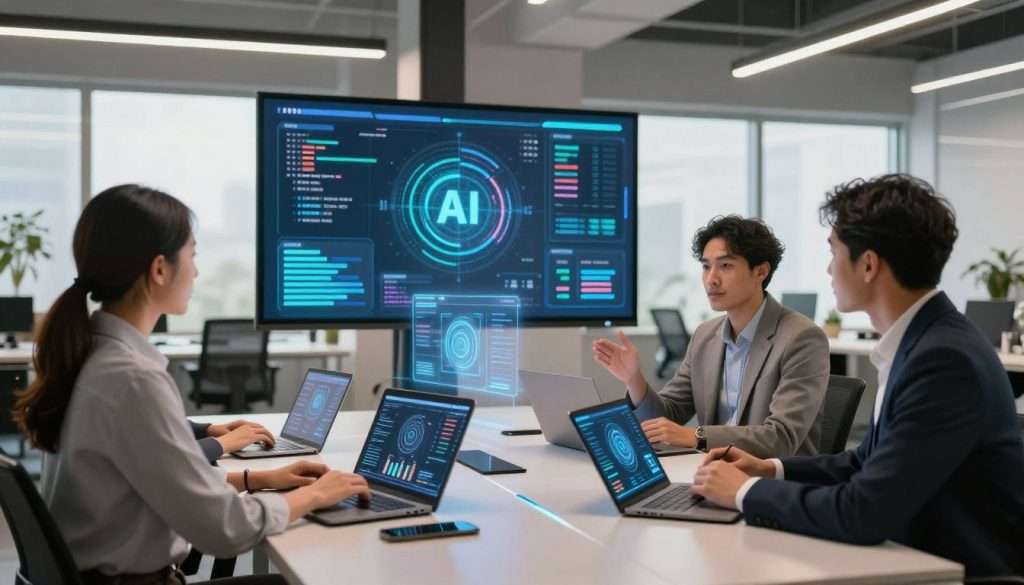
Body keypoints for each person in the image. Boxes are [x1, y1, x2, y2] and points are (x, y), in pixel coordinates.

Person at [14, 184, 370, 585]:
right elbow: (224, 530)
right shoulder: (132, 379)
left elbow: (157, 478)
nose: (197, 271)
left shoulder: (89, 356)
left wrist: (257, 479)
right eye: (193, 255)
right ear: (160, 269)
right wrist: (316, 495)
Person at [691, 175, 1024, 578]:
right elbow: (864, 461)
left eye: (833, 252)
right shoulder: (924, 341)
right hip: (912, 556)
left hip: (953, 572)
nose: (829, 268)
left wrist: (744, 492)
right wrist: (770, 469)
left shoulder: (943, 360)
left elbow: (863, 512)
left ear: (868, 264)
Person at [593, 216, 829, 457]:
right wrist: (634, 380)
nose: (711, 279)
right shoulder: (705, 336)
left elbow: (781, 437)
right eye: (706, 267)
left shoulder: (802, 338)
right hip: (711, 470)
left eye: (725, 266)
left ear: (761, 271)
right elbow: (668, 416)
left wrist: (697, 436)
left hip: (771, 476)